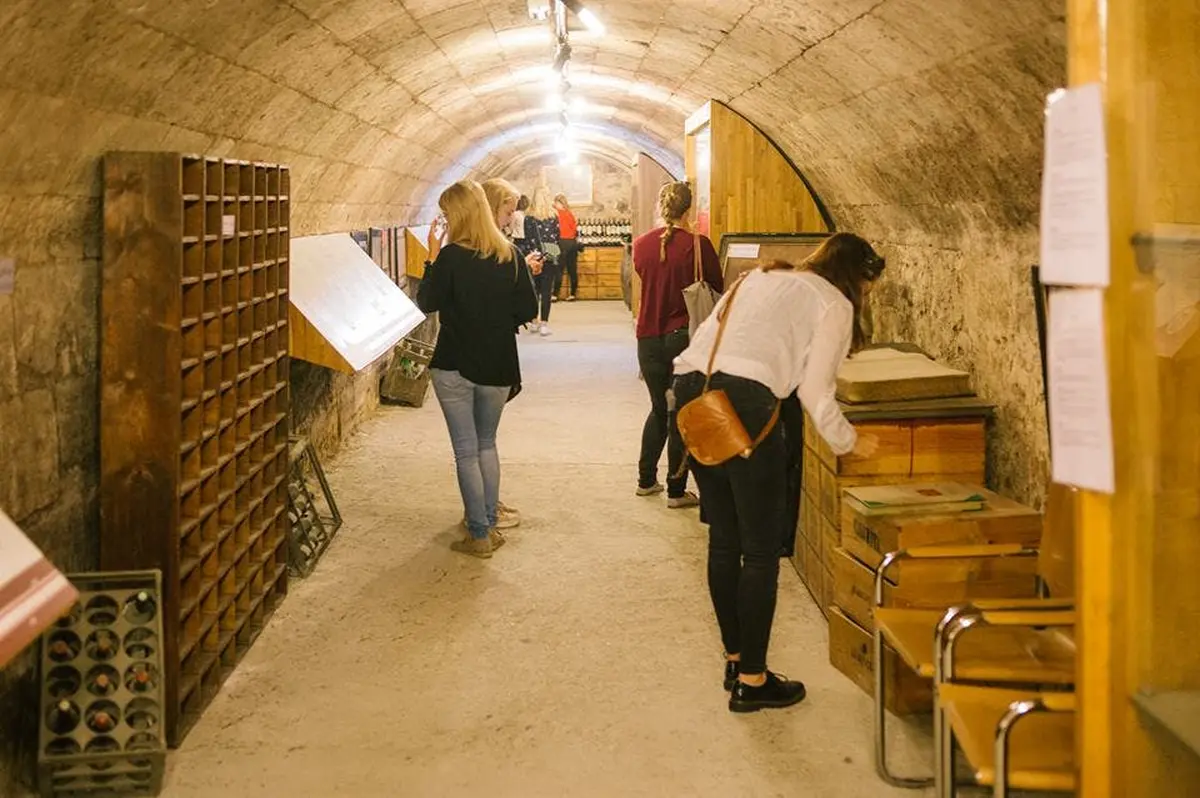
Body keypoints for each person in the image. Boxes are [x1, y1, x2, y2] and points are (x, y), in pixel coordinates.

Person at [672, 232, 885, 711]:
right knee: (761, 550)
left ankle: (735, 658)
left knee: (724, 539)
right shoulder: (834, 302)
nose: (866, 298)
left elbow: (706, 340)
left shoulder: (759, 278)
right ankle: (753, 678)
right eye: (868, 289)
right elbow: (813, 393)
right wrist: (850, 442)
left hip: (694, 394)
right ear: (856, 277)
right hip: (745, 406)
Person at [417, 180, 538, 558]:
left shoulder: (451, 257)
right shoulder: (511, 255)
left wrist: (433, 256)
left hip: (454, 363)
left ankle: (479, 534)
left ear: (458, 215)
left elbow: (428, 301)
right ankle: (487, 518)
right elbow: (527, 310)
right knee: (486, 444)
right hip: (497, 363)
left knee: (466, 452)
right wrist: (496, 321)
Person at [632, 181, 722, 508]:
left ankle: (645, 480)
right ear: (688, 209)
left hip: (647, 337)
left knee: (658, 407)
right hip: (682, 335)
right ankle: (675, 490)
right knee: (680, 412)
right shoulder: (699, 246)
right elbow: (717, 287)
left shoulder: (641, 245)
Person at [519, 187, 562, 336]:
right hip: (549, 256)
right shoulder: (554, 216)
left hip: (534, 257)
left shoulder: (528, 217)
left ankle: (533, 322)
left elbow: (526, 238)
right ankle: (544, 324)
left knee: (534, 290)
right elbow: (557, 238)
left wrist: (533, 254)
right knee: (546, 291)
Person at [553, 193, 580, 301]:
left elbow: (555, 230)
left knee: (559, 269)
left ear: (559, 203)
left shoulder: (557, 214)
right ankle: (573, 294)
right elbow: (575, 229)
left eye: (555, 203)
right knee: (572, 269)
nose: (554, 205)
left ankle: (555, 294)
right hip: (572, 243)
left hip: (562, 242)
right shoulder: (570, 214)